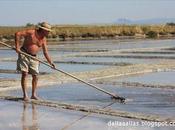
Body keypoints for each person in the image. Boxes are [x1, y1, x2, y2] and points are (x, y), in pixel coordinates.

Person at [15, 22, 55, 101]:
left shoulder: (43, 39)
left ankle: (33, 94)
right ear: (43, 30)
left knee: (35, 76)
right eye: (48, 31)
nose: (49, 32)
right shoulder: (31, 32)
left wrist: (51, 63)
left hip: (34, 57)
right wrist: (17, 47)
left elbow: (45, 52)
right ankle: (25, 95)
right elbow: (17, 34)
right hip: (24, 54)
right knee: (24, 73)